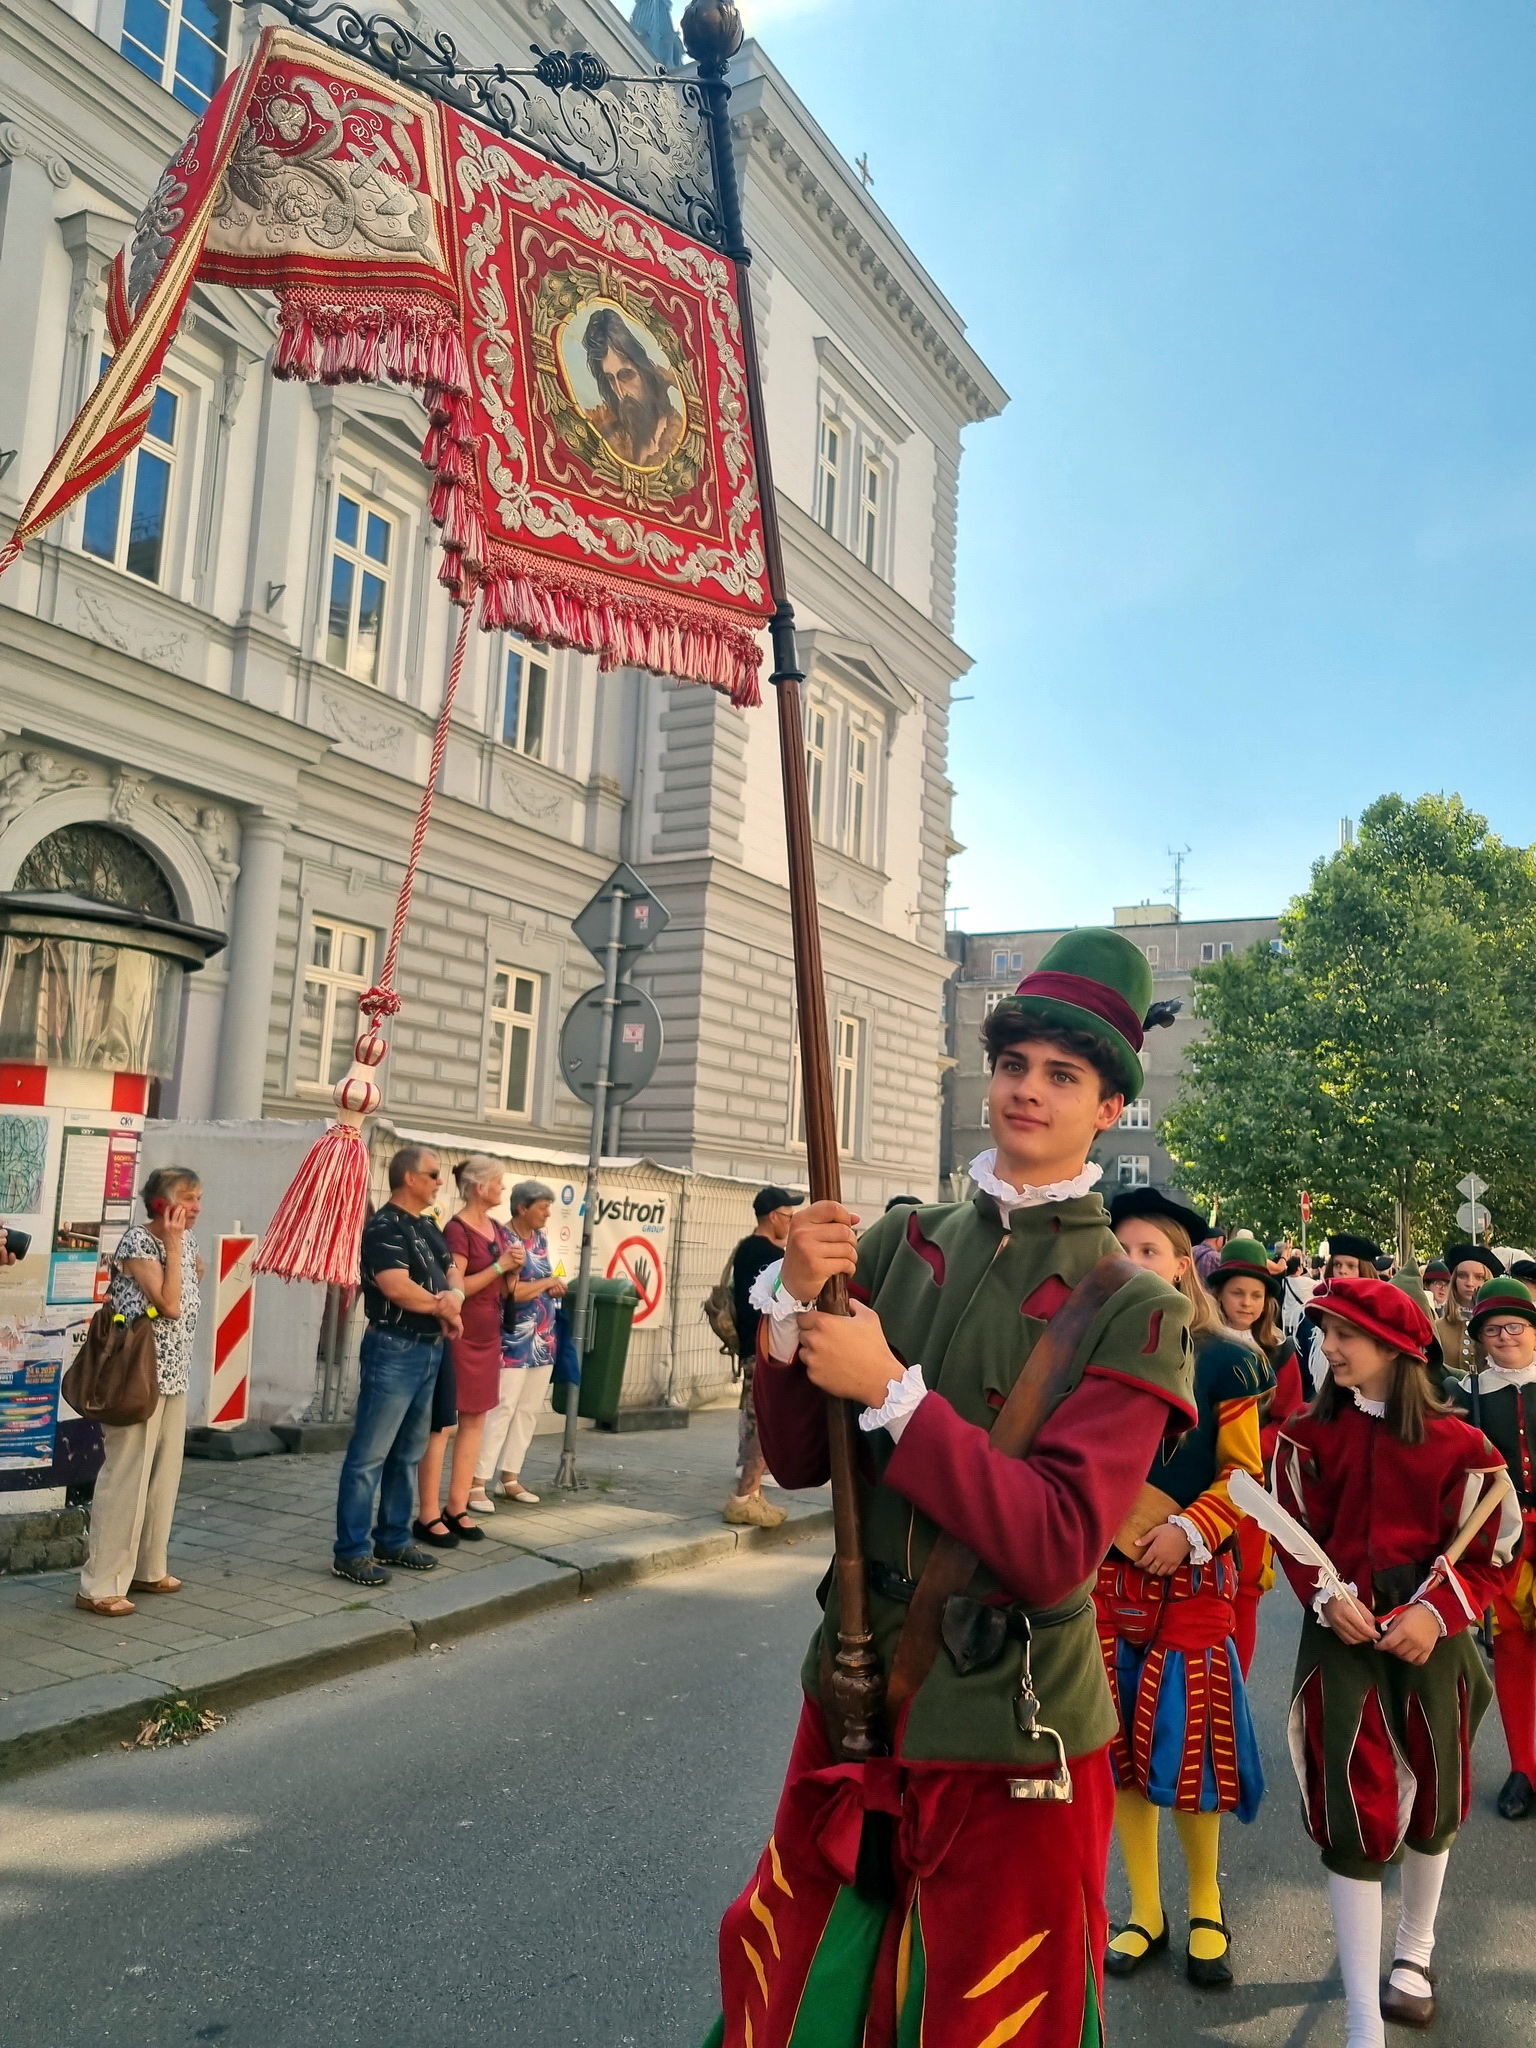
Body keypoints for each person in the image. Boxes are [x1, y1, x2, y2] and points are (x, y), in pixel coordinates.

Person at [702, 928, 1197, 2048]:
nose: (1028, 1090)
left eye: (1063, 1075)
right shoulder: (899, 1240)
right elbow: (801, 1461)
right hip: (854, 1688)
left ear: (1110, 1107)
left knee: (985, 2014)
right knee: (801, 1988)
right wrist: (790, 1306)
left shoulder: (1136, 1307)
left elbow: (1057, 1546)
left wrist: (896, 1394)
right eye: (1015, 1063)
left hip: (1013, 1726)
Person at [1271, 1277, 1518, 2045]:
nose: (1330, 1348)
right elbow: (1291, 1531)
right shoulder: (1306, 1437)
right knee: (1353, 1807)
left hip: (1430, 1642)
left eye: (1345, 1335)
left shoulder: (1464, 1448)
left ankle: (1414, 1953)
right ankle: (1361, 2015)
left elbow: (1493, 1549)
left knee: (1435, 1794)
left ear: (1397, 1348)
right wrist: (1325, 1597)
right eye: (1325, 1333)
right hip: (1340, 1641)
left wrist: (1437, 1612)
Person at [1098, 1186, 1267, 1990]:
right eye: (1120, 1249)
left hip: (1194, 1577)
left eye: (1150, 1251)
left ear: (1179, 1266)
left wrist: (1187, 1531)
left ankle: (1205, 1904)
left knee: (1192, 1750)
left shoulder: (1230, 1360)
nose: (1133, 1263)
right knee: (1119, 1750)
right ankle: (1144, 1909)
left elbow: (1245, 1478)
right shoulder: (1085, 1351)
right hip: (1106, 1578)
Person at [76, 1166, 204, 1617]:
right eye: (188, 1198)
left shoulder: (185, 1242)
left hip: (174, 1374)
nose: (196, 1207)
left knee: (163, 1475)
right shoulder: (139, 1243)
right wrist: (175, 1248)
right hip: (136, 1375)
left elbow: (190, 1285)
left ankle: (148, 1567)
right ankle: (100, 1584)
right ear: (161, 1204)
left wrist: (183, 1253)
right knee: (127, 1476)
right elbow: (168, 1305)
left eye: (198, 1198)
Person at [333, 1146, 462, 1586]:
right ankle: (351, 1552)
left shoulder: (427, 1225)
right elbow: (395, 1286)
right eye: (433, 1174)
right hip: (395, 1347)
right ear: (409, 1178)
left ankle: (393, 1539)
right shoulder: (384, 1225)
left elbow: (452, 1270)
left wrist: (454, 1298)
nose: (439, 1181)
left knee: (408, 1453)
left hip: (428, 1348)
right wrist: (444, 1307)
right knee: (370, 1455)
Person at [1444, 1276, 1536, 1820]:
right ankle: (1523, 1768)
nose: (1505, 1336)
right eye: (1493, 1329)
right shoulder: (1467, 1394)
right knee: (1513, 1649)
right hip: (1504, 1534)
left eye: (1515, 1326)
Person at [414, 1157, 524, 1546]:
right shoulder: (458, 1230)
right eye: (498, 1182)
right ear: (480, 1187)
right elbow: (456, 1287)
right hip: (459, 1334)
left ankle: (457, 1506)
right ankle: (428, 1512)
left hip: (488, 1332)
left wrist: (512, 1271)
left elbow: (503, 1286)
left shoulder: (496, 1229)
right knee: (444, 1424)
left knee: (476, 1419)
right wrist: (500, 1267)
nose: (503, 1189)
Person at [1207, 1238, 1292, 1672]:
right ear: (1219, 1294)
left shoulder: (1281, 1351)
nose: (1247, 1303)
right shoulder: (1199, 1343)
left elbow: (1290, 1419)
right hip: (1204, 1484)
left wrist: (1251, 1445)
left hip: (1256, 1490)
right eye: (1237, 1293)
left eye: (1256, 1295)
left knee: (1246, 1592)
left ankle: (1236, 1685)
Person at [470, 1179, 564, 1510]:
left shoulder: (540, 1239)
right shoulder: (503, 1240)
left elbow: (540, 1282)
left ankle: (509, 1477)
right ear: (522, 1208)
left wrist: (552, 1286)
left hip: (544, 1337)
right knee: (502, 1408)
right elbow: (508, 1292)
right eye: (543, 1207)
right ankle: (477, 1481)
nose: (547, 1214)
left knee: (528, 1411)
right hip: (512, 1338)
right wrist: (547, 1283)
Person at [721, 1185, 803, 1530]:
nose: (791, 1222)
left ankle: (751, 1492)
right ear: (773, 1216)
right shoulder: (769, 1255)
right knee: (763, 1419)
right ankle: (745, 1496)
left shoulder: (745, 1249)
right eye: (788, 1216)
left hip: (752, 1346)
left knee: (755, 1415)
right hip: (765, 1348)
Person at [580, 306, 685, 467]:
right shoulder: (608, 434)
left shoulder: (676, 434)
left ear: (644, 372)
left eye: (626, 375)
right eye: (610, 379)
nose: (620, 392)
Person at [1292, 1232, 1382, 1395]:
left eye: (1351, 1266)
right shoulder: (1310, 1315)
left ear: (1363, 1269)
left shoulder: (1378, 1315)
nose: (1342, 1271)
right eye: (1337, 1264)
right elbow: (1303, 1374)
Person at [1439, 1242, 1504, 1383]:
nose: (1470, 1283)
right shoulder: (1438, 1328)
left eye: (1479, 1277)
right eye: (1462, 1275)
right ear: (1454, 1280)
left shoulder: (1502, 1329)